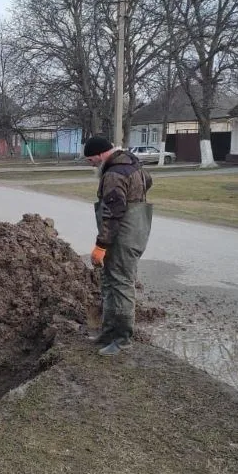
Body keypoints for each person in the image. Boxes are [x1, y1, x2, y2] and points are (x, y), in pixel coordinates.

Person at [84, 136, 154, 356]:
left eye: (91, 159)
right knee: (110, 283)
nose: (90, 163)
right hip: (132, 233)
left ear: (100, 153)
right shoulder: (131, 164)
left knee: (121, 285)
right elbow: (149, 181)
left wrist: (101, 245)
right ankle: (109, 332)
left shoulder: (114, 173)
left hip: (122, 237)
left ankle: (122, 340)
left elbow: (112, 213)